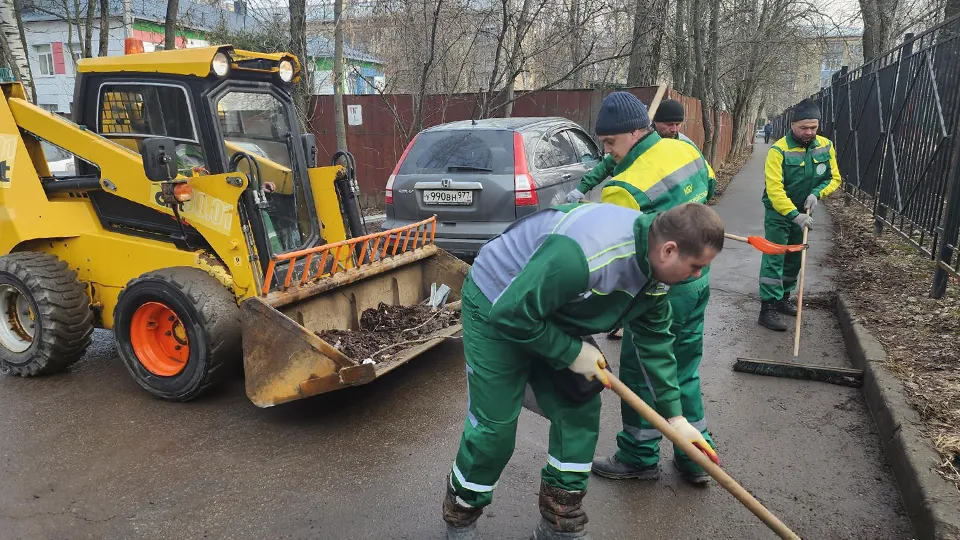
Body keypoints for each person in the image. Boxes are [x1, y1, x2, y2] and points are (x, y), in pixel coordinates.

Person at [442, 202, 725, 540]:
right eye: (696, 266)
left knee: (580, 411)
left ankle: (559, 523)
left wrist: (676, 420)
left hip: (554, 307)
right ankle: (461, 518)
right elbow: (512, 314)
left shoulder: (655, 272)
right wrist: (572, 351)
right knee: (495, 428)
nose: (697, 275)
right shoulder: (586, 255)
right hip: (497, 302)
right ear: (669, 250)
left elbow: (657, 346)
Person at [559, 91, 719, 486]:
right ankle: (696, 458)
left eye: (611, 143)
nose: (609, 153)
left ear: (634, 133)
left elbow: (625, 258)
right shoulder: (684, 150)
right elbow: (708, 192)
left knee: (643, 369)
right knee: (685, 368)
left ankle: (638, 454)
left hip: (662, 289)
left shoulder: (625, 188)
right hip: (698, 279)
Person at [758, 99, 841, 331]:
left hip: (804, 211)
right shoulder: (778, 150)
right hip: (779, 213)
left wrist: (816, 194)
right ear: (792, 125)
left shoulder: (825, 145)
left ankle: (784, 299)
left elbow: (833, 178)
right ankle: (767, 308)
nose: (809, 132)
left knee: (795, 257)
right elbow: (774, 190)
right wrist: (794, 215)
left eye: (813, 127)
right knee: (775, 257)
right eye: (804, 127)